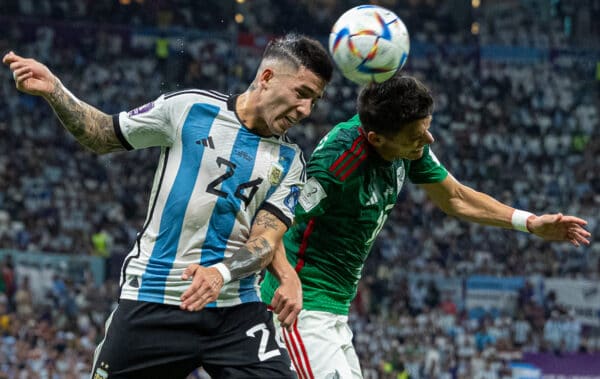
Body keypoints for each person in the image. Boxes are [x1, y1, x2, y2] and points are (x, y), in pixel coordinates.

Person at [4, 33, 333, 379]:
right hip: (155, 296)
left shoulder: (290, 161)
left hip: (236, 310)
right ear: (266, 78)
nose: (306, 110)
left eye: (315, 101)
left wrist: (219, 273)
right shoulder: (189, 108)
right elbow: (102, 134)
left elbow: (265, 241)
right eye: (302, 94)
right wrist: (55, 89)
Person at [261, 75, 591, 378]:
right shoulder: (336, 167)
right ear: (376, 139)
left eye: (427, 129)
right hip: (302, 308)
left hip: (334, 310)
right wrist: (287, 280)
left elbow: (456, 197)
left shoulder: (405, 142)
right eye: (417, 136)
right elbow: (270, 226)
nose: (428, 139)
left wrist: (530, 223)